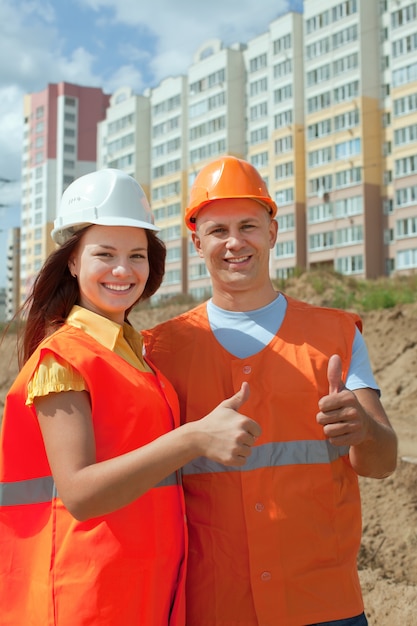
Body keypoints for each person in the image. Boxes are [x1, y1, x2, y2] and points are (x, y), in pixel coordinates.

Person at [143, 155, 398, 626]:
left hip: (323, 603)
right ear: (196, 242)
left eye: (248, 226)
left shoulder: (336, 335)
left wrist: (363, 430)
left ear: (273, 232)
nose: (235, 242)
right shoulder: (161, 350)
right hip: (215, 605)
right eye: (218, 230)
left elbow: (382, 463)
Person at [0, 168, 261, 626]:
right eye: (105, 254)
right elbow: (79, 492)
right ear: (73, 261)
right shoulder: (63, 358)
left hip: (144, 589)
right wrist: (193, 439)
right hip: (89, 594)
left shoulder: (136, 357)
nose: (124, 270)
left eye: (136, 255)